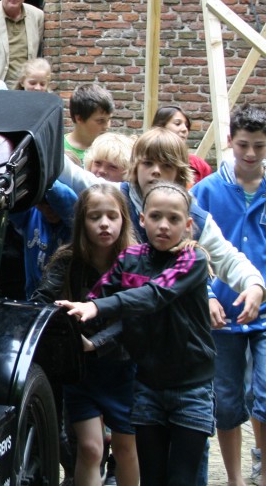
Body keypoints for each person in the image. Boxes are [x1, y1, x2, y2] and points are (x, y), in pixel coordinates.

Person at [57, 181, 215, 485]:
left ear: (189, 224)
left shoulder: (192, 260)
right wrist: (73, 323)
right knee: (152, 476)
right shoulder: (130, 259)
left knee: (182, 477)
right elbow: (98, 297)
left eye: (174, 219)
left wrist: (98, 308)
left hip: (191, 387)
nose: (164, 226)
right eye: (155, 217)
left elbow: (153, 296)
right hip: (147, 386)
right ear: (142, 219)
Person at [58, 127, 266, 325]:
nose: (155, 172)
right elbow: (71, 174)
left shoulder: (193, 217)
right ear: (135, 167)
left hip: (171, 330)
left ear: (179, 172)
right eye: (148, 163)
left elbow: (228, 259)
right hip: (117, 325)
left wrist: (254, 284)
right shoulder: (114, 197)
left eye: (166, 165)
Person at [32, 183, 139, 486]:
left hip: (123, 370)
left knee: (126, 448)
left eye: (112, 216)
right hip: (80, 371)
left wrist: (96, 343)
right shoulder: (67, 261)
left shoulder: (135, 261)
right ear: (82, 222)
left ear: (124, 219)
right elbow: (42, 301)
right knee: (91, 448)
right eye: (95, 217)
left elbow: (135, 318)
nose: (104, 224)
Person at [191, 103, 266, 486]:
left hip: (265, 311)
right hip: (222, 313)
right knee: (226, 401)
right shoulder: (205, 192)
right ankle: (235, 478)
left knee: (265, 393)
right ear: (230, 143)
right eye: (243, 145)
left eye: (258, 145)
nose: (251, 154)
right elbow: (190, 252)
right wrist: (206, 294)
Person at [153, 104, 213, 186]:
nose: (185, 129)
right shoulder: (145, 159)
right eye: (177, 124)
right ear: (161, 127)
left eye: (187, 126)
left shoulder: (200, 165)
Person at [64, 84, 114, 166]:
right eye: (100, 121)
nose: (107, 126)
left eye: (108, 119)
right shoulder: (58, 150)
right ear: (79, 119)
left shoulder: (113, 150)